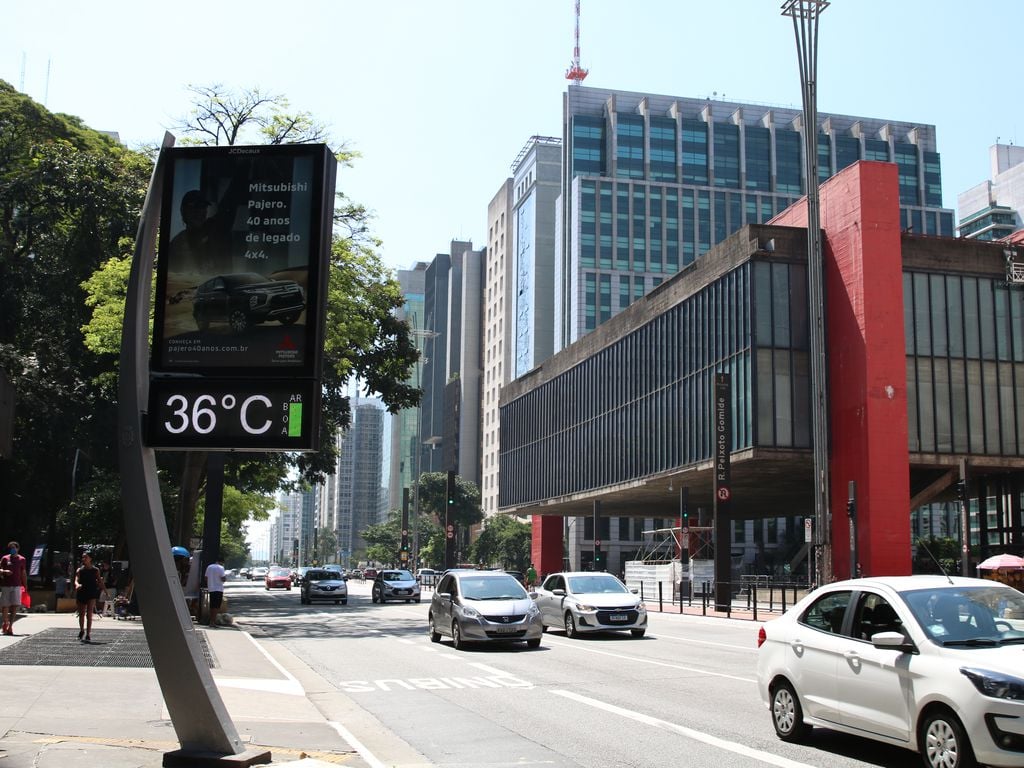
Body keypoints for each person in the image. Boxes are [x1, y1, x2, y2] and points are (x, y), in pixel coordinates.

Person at [0, 542, 28, 636]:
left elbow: (23, 573)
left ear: (17, 549)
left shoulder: (22, 559)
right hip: (6, 585)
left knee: (15, 606)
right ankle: (5, 622)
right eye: (10, 548)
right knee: (5, 606)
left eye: (14, 548)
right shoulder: (5, 558)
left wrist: (25, 585)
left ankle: (10, 626)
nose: (12, 549)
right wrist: (4, 571)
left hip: (17, 585)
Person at [74, 552, 103, 642]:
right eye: (83, 557)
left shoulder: (95, 570)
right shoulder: (79, 570)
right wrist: (77, 585)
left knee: (89, 614)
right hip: (82, 592)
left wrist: (105, 591)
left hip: (91, 593)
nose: (84, 559)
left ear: (90, 559)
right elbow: (76, 580)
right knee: (82, 614)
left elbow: (100, 581)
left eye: (85, 557)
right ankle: (82, 630)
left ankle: (88, 634)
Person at [204, 557, 226, 627]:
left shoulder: (209, 567)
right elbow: (223, 579)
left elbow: (206, 578)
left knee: (212, 605)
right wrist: (225, 578)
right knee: (216, 606)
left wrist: (209, 584)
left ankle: (211, 621)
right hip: (218, 588)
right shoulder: (221, 568)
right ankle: (213, 622)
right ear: (222, 562)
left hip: (211, 588)